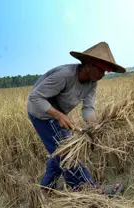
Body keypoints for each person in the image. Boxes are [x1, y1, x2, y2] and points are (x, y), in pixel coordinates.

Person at [27, 42, 126, 199]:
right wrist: (59, 115)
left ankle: (45, 190)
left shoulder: (92, 84)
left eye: (105, 72)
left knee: (59, 151)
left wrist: (94, 127)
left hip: (58, 114)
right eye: (100, 69)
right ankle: (89, 189)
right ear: (87, 65)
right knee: (67, 152)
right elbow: (35, 97)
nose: (102, 74)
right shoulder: (64, 76)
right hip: (42, 114)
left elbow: (88, 109)